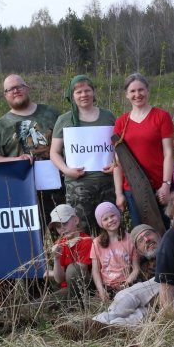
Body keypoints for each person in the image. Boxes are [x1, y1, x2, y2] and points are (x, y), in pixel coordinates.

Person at [0, 74, 64, 218]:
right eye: (10, 89)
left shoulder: (51, 114)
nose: (15, 91)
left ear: (27, 88)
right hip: (22, 192)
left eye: (19, 86)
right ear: (5, 95)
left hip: (57, 189)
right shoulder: (1, 125)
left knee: (62, 237)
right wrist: (15, 160)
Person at [50, 75, 116, 234]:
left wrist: (116, 164)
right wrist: (66, 170)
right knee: (81, 233)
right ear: (72, 96)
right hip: (77, 188)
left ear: (93, 92)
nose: (83, 95)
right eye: (78, 92)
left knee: (109, 233)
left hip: (107, 185)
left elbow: (119, 147)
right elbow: (54, 152)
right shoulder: (64, 120)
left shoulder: (108, 116)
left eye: (87, 90)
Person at [112, 72, 174, 227]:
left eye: (141, 90)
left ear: (148, 91)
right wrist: (119, 193)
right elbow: (117, 161)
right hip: (133, 189)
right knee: (142, 235)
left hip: (159, 187)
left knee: (164, 231)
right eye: (132, 91)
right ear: (127, 95)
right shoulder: (121, 122)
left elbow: (169, 154)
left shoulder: (162, 117)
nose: (137, 94)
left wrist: (166, 184)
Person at [92, 224, 162, 327]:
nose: (146, 239)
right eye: (141, 240)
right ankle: (108, 327)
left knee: (128, 294)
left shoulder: (170, 247)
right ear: (138, 251)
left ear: (158, 235)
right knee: (141, 313)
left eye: (148, 234)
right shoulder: (144, 268)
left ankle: (98, 322)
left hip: (173, 285)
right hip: (161, 304)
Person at [90, 202, 139, 302]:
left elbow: (136, 268)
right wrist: (101, 291)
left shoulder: (130, 239)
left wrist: (127, 283)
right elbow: (95, 271)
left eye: (112, 216)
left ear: (118, 215)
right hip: (108, 287)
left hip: (128, 283)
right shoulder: (96, 243)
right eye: (105, 219)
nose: (110, 220)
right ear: (101, 223)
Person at [48, 204, 93, 304]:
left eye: (64, 223)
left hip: (86, 289)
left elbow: (76, 274)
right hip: (67, 289)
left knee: (73, 269)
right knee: (34, 307)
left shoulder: (86, 241)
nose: (62, 229)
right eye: (58, 227)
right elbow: (59, 280)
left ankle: (75, 308)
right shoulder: (59, 244)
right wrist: (56, 258)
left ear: (76, 220)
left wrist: (50, 273)